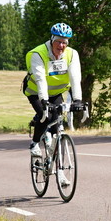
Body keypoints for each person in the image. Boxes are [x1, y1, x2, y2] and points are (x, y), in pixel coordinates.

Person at [23, 23, 83, 174]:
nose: (61, 45)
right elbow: (40, 79)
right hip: (36, 92)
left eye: (65, 42)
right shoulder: (38, 54)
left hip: (55, 93)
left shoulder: (71, 54)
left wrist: (77, 100)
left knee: (57, 130)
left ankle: (60, 171)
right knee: (46, 115)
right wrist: (44, 101)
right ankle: (35, 143)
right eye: (58, 41)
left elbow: (75, 77)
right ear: (52, 40)